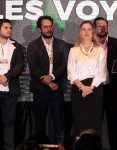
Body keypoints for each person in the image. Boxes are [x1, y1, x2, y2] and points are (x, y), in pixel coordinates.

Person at [27, 16, 68, 145]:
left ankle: (59, 146)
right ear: (39, 29)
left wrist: (53, 77)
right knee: (39, 122)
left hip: (57, 88)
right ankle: (38, 146)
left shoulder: (62, 44)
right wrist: (49, 81)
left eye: (50, 26)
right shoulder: (33, 45)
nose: (49, 29)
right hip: (40, 89)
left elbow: (65, 65)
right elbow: (33, 68)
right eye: (45, 27)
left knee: (59, 122)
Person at [67, 20, 106, 139]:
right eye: (83, 29)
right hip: (78, 89)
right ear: (80, 32)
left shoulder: (100, 50)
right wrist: (82, 87)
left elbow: (102, 72)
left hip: (95, 89)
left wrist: (90, 88)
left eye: (89, 29)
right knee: (80, 123)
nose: (86, 32)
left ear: (93, 32)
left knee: (95, 123)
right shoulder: (74, 50)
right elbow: (70, 72)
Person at [93, 17, 117, 150]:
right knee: (94, 123)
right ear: (94, 28)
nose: (102, 28)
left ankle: (115, 147)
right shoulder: (89, 44)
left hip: (113, 90)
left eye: (105, 26)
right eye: (99, 26)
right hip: (94, 89)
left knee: (114, 124)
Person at [0, 19, 24, 150]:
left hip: (10, 92)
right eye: (6, 28)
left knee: (9, 123)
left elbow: (19, 65)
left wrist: (6, 76)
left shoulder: (17, 46)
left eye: (10, 28)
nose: (9, 30)